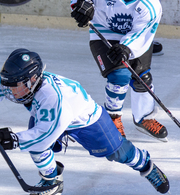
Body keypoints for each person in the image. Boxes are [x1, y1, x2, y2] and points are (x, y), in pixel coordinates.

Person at [0, 49, 169, 195]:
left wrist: (11, 139)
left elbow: (43, 136)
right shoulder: (24, 83)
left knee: (118, 152)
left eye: (15, 86)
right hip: (53, 118)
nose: (10, 92)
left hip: (87, 120)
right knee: (36, 142)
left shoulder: (53, 98)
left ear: (32, 80)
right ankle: (52, 182)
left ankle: (145, 164)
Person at [70, 0, 168, 141]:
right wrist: (79, 4)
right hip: (103, 29)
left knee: (142, 78)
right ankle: (112, 119)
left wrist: (127, 47)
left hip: (136, 34)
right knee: (119, 76)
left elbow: (141, 34)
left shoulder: (150, 5)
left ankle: (144, 117)